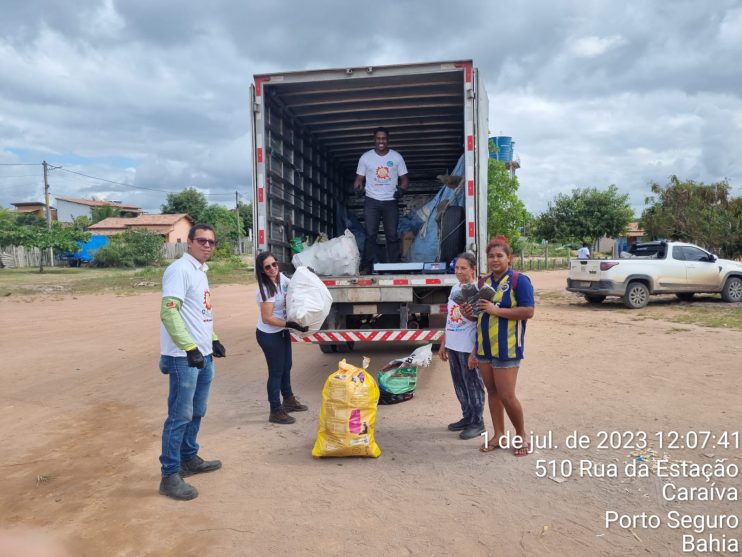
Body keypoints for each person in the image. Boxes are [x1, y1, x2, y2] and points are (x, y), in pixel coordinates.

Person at [158, 224, 225, 501]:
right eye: (201, 241)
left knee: (197, 410)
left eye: (211, 241)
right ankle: (170, 474)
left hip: (202, 354)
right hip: (183, 357)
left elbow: (198, 314)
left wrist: (213, 338)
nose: (207, 245)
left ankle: (188, 457)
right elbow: (169, 313)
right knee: (180, 415)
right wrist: (189, 348)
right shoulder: (180, 270)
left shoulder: (200, 271)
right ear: (189, 242)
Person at [462, 236, 535, 457]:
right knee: (492, 393)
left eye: (499, 256)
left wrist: (497, 310)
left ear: (509, 258)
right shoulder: (483, 282)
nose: (495, 260)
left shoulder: (519, 281)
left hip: (508, 348)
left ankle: (521, 435)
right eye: (491, 256)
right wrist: (469, 315)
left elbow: (528, 311)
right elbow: (481, 316)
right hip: (485, 348)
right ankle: (498, 435)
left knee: (507, 395)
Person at [255, 251, 309, 425]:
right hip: (269, 334)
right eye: (268, 267)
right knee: (276, 371)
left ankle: (289, 400)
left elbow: (296, 284)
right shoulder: (265, 290)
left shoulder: (281, 279)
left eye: (274, 264)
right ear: (262, 271)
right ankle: (275, 411)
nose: (272, 269)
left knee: (287, 366)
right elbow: (267, 318)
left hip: (282, 330)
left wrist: (308, 275)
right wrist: (290, 324)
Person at [438, 252, 486, 440]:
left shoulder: (478, 291)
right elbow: (450, 317)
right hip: (454, 344)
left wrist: (476, 351)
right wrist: (444, 342)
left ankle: (478, 422)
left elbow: (481, 323)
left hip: (468, 346)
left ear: (473, 269)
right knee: (459, 383)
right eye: (456, 268)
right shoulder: (454, 288)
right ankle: (467, 417)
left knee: (473, 384)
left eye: (463, 268)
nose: (458, 271)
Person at [354, 127, 409, 273]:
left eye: (383, 138)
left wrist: (402, 190)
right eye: (378, 138)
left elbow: (404, 179)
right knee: (370, 234)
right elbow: (359, 179)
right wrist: (358, 188)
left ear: (388, 140)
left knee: (391, 235)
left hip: (390, 201)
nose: (381, 141)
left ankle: (395, 267)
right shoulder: (366, 158)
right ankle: (367, 266)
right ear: (374, 140)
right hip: (371, 201)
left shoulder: (396, 157)